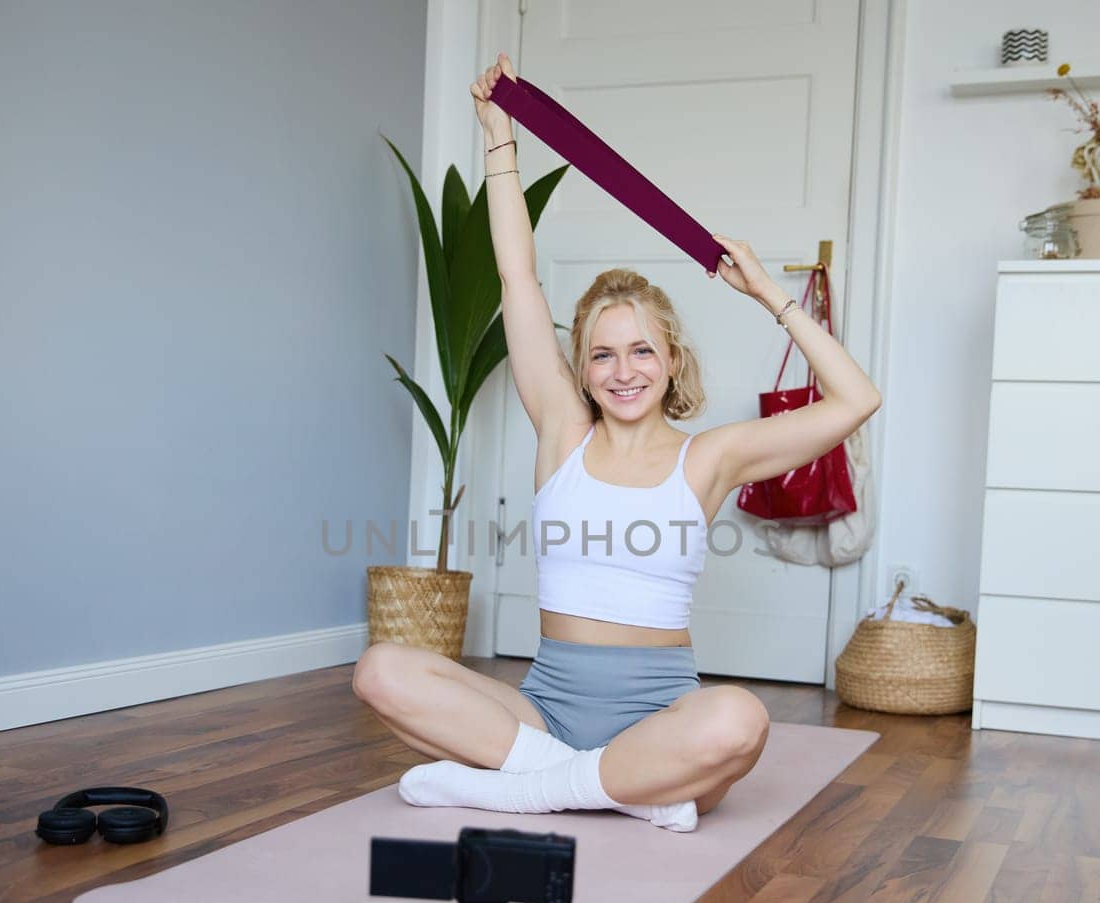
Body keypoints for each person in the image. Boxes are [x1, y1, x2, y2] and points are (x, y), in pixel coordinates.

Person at [352, 53, 881, 832]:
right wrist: (499, 137)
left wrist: (770, 293)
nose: (623, 370)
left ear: (671, 362)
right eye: (603, 353)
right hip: (543, 712)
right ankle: (589, 783)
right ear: (582, 368)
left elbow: (856, 398)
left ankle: (535, 788)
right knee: (380, 669)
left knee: (738, 720)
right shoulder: (562, 432)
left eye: (642, 351)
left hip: (660, 723)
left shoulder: (710, 457)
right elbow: (517, 278)